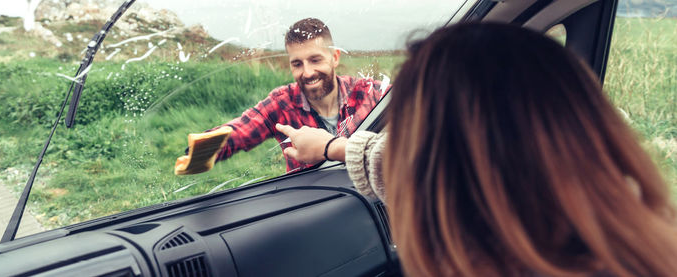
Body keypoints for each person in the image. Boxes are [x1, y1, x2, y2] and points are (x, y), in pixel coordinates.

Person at [277, 22, 677, 276]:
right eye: (298, 64)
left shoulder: (480, 244)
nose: (308, 72)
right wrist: (332, 147)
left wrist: (333, 147)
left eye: (410, 133)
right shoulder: (641, 235)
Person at [189, 18, 387, 173]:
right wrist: (199, 150)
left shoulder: (369, 92)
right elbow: (241, 130)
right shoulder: (282, 102)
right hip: (309, 203)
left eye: (315, 60)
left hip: (364, 199)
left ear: (334, 57)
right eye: (297, 64)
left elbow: (412, 106)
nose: (307, 72)